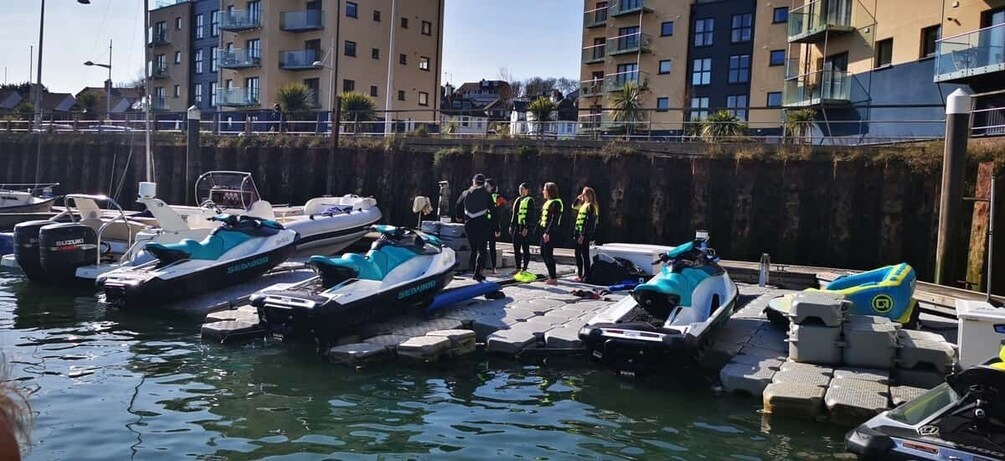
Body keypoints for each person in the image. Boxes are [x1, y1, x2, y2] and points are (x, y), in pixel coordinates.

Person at [455, 173, 493, 282]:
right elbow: (493, 211)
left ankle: (472, 270)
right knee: (482, 250)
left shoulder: (465, 193)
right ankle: (477, 272)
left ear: (473, 181)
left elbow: (458, 204)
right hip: (481, 224)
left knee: (473, 248)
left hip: (469, 224)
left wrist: (458, 216)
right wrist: (496, 227)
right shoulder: (487, 194)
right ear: (483, 183)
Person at [572, 186, 600, 282]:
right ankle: (580, 274)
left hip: (584, 234)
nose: (582, 195)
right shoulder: (584, 205)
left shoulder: (591, 206)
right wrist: (578, 199)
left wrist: (583, 235)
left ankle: (586, 275)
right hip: (578, 232)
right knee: (578, 253)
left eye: (584, 194)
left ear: (589, 195)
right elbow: (574, 206)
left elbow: (589, 222)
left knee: (584, 254)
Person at [539, 182, 564, 285]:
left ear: (549, 191)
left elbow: (554, 219)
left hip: (551, 232)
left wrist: (548, 233)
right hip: (545, 230)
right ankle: (551, 276)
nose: (543, 191)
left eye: (544, 189)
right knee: (543, 252)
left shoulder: (556, 203)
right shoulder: (549, 202)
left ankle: (553, 278)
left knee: (548, 254)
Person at [508, 183, 536, 274]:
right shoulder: (518, 200)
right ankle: (518, 267)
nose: (520, 191)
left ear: (527, 190)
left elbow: (531, 215)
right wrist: (511, 225)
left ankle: (525, 268)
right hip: (517, 226)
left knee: (525, 248)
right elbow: (514, 214)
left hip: (525, 227)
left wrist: (526, 227)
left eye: (522, 189)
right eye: (520, 189)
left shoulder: (530, 200)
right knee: (516, 247)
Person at [484, 178, 507, 274]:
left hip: (492, 224)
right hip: (483, 223)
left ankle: (494, 267)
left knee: (492, 246)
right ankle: (482, 266)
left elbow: (498, 213)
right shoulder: (482, 195)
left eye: (487, 185)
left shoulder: (498, 197)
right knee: (482, 247)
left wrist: (498, 227)